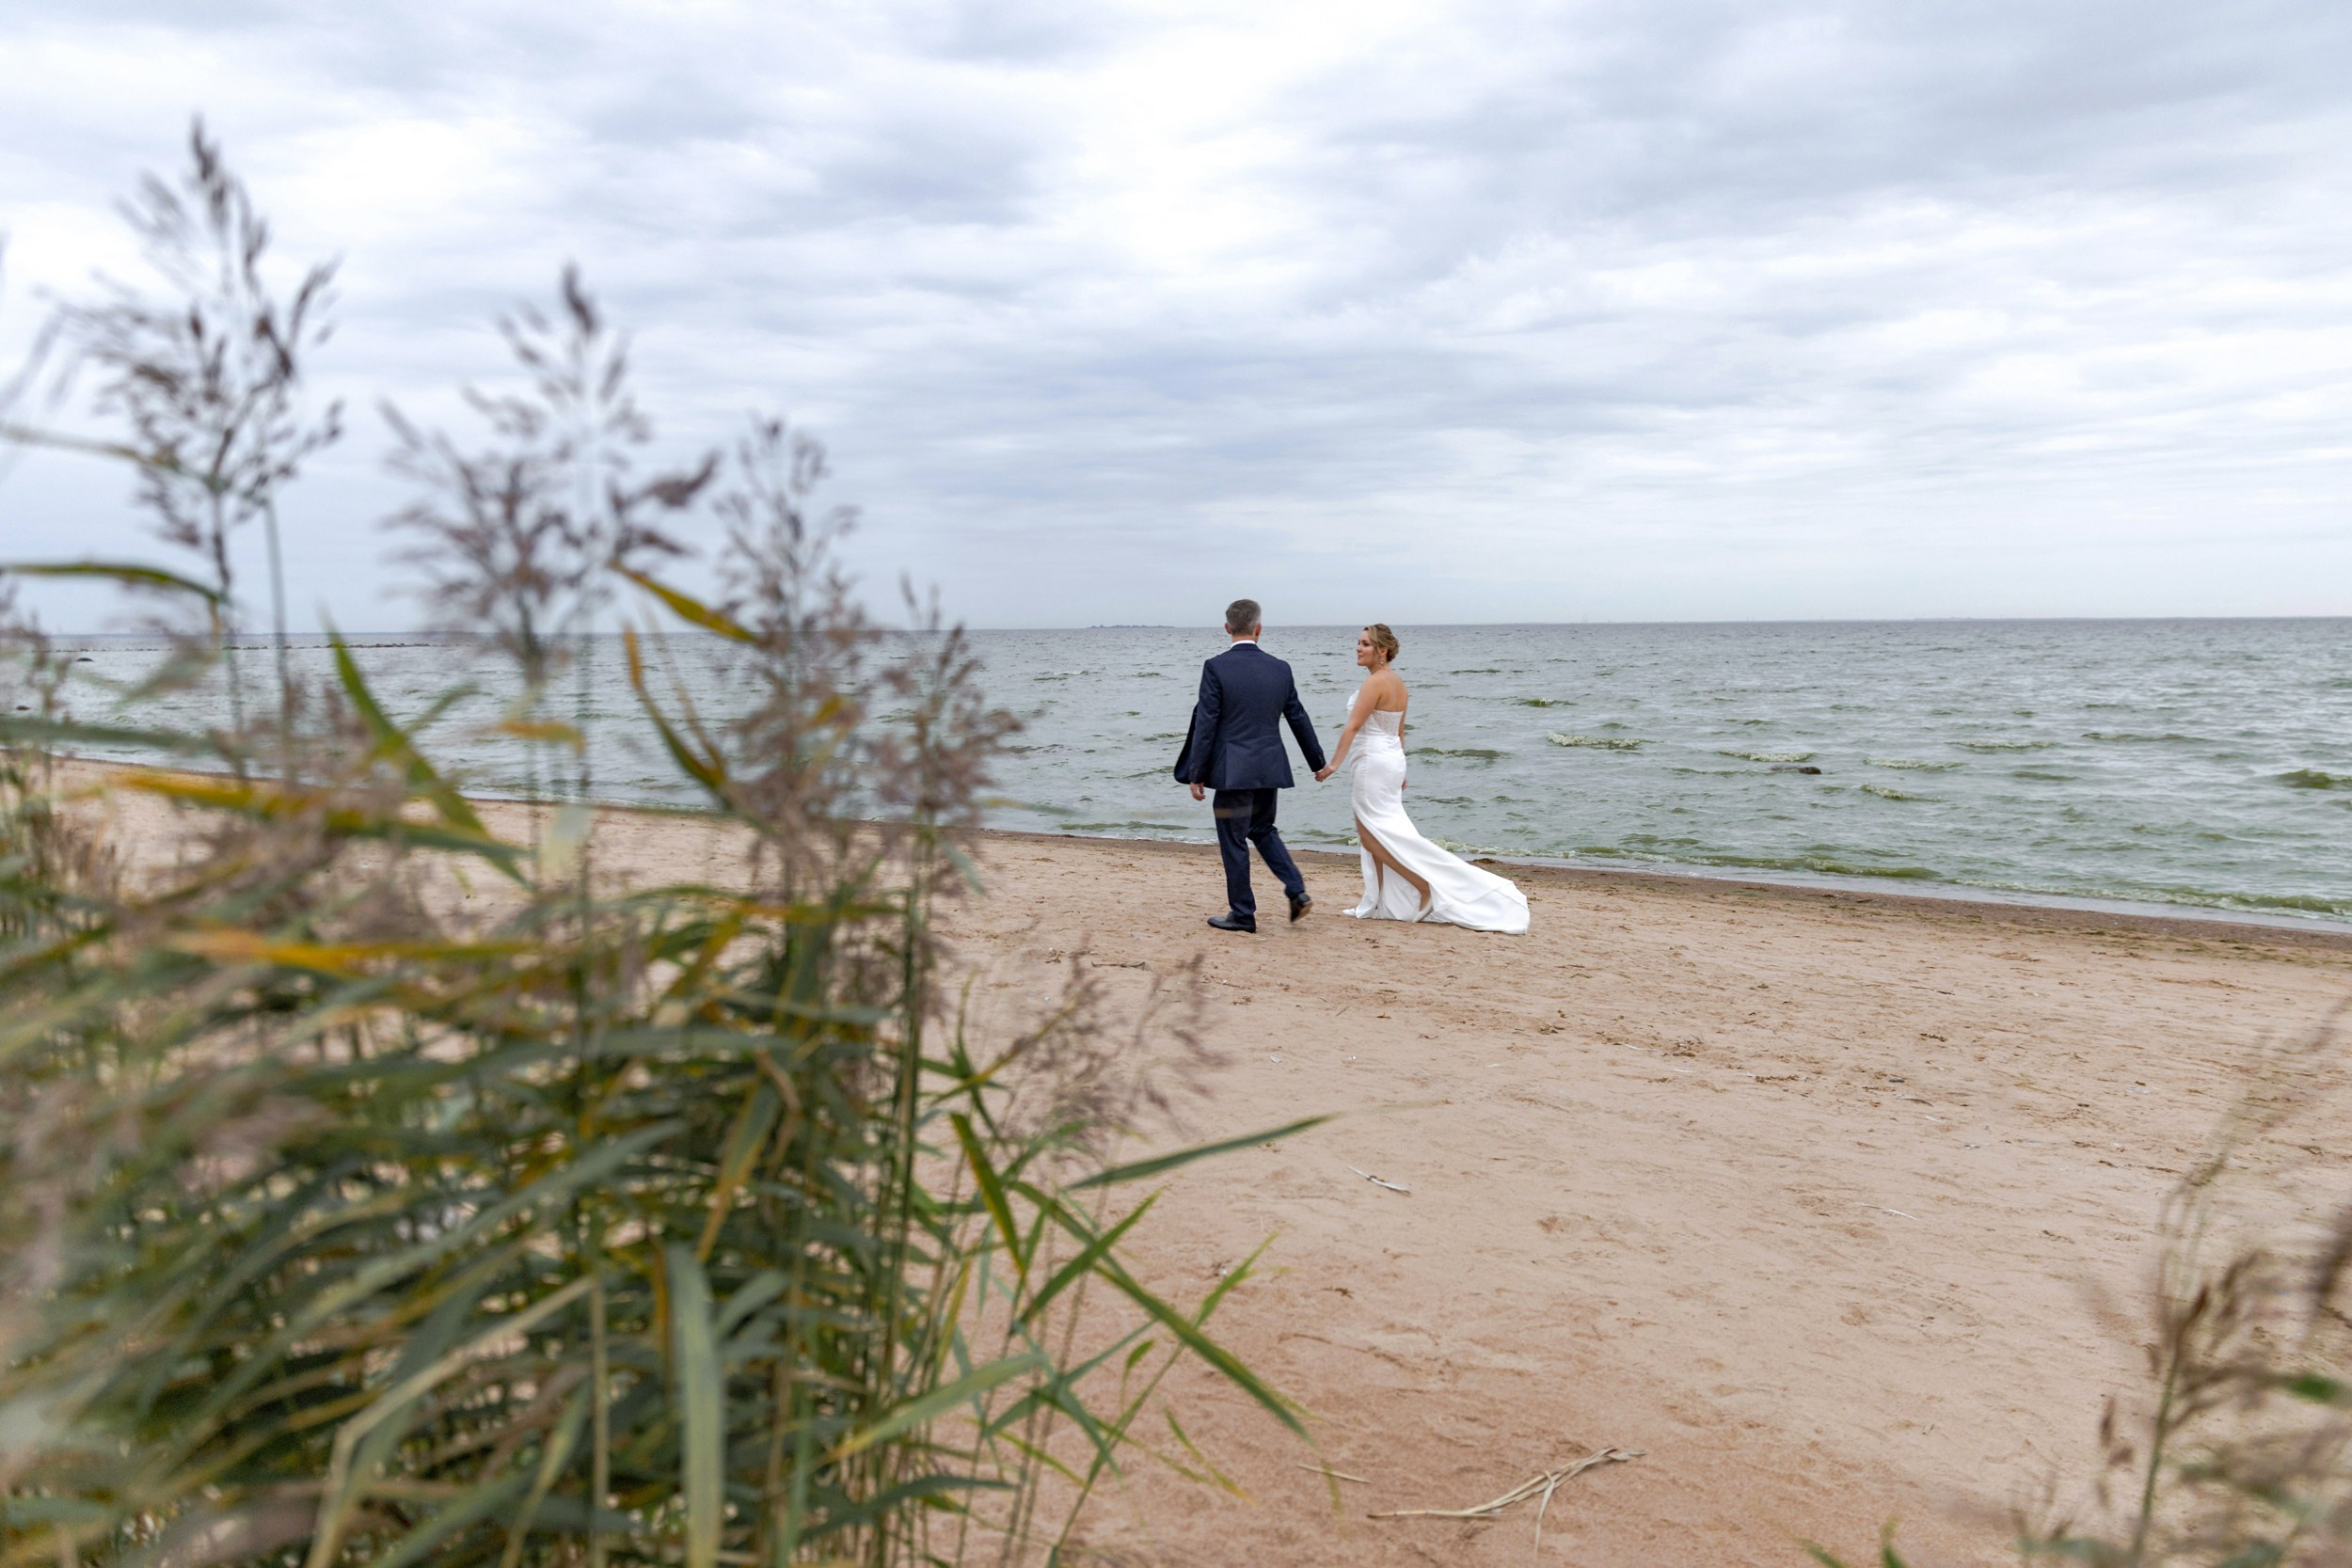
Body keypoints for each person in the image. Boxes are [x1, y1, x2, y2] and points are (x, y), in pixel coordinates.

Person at [1315, 624, 1529, 933]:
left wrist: (1333, 764)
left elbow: (1353, 726)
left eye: (1365, 644)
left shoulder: (1375, 683)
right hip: (1390, 760)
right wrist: (1401, 768)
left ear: (1382, 650)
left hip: (1374, 762)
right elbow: (1399, 732)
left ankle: (1424, 886)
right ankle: (1378, 901)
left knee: (1370, 835)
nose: (1358, 648)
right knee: (1383, 832)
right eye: (1358, 643)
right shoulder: (1398, 683)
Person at [1172, 598, 1327, 933]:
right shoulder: (1280, 668)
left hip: (1233, 772)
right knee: (1262, 829)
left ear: (1227, 628)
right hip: (1270, 766)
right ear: (1259, 628)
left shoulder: (1216, 667)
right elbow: (1298, 717)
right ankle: (1296, 889)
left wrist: (1196, 773)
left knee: (1234, 839)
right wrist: (1317, 762)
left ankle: (1243, 914)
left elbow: (1207, 723)